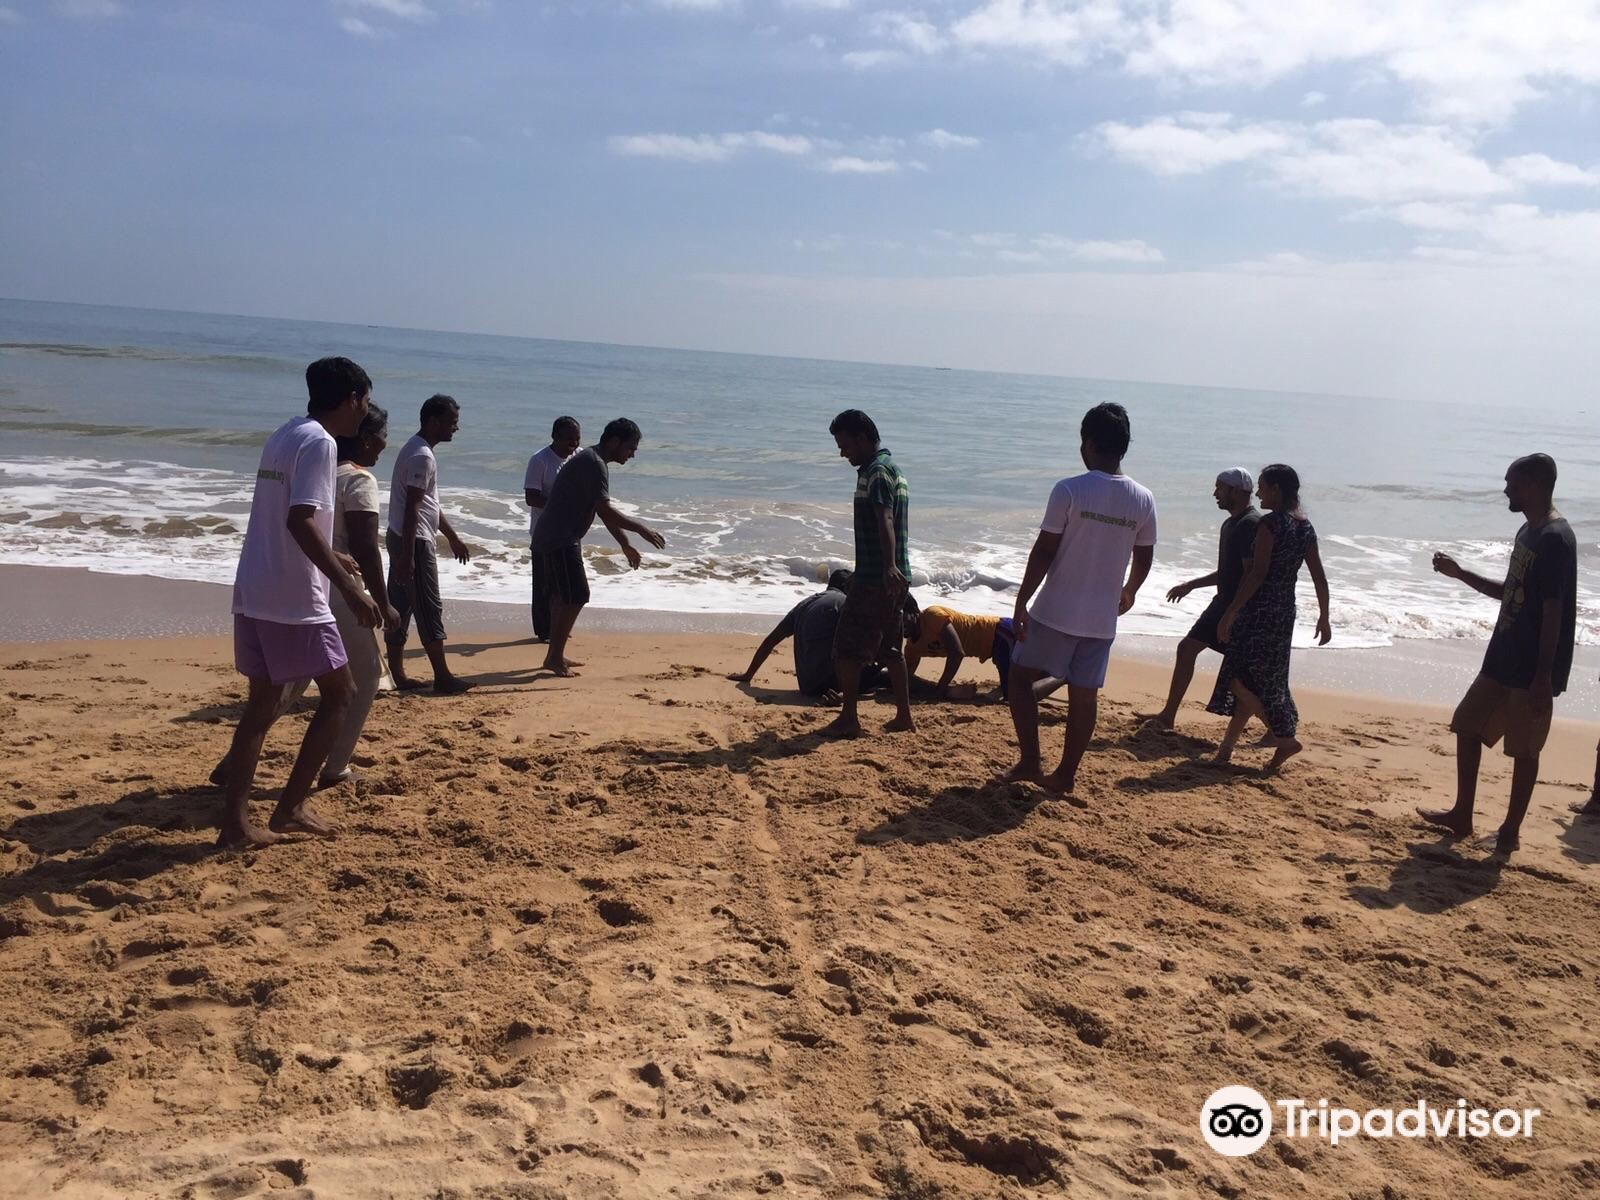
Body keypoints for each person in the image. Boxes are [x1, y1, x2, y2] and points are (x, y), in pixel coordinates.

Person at [219, 356, 382, 849]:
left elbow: (284, 515)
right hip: (294, 596)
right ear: (351, 398)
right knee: (342, 694)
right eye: (365, 402)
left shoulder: (285, 433)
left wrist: (330, 552)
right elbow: (299, 519)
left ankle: (235, 826)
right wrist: (350, 587)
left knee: (261, 706)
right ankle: (289, 808)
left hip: (256, 586)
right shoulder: (321, 442)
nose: (365, 413)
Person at [210, 404, 399, 790]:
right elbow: (365, 548)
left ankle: (235, 763)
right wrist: (380, 598)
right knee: (361, 679)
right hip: (330, 590)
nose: (385, 443)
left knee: (289, 684)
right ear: (365, 438)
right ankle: (335, 767)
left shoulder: (319, 467)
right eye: (382, 434)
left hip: (293, 583)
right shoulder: (360, 480)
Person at [1419, 454, 1578, 859]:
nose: (1506, 489)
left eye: (1512, 482)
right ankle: (1462, 814)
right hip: (1502, 656)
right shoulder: (1527, 531)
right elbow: (1510, 590)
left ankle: (1509, 832)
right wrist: (1461, 574)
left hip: (1532, 669)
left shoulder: (1555, 539)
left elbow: (1554, 612)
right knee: (1467, 725)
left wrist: (1544, 675)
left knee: (1524, 751)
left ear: (1533, 485)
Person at [1003, 403, 1156, 793]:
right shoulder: (1143, 498)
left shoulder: (1070, 489)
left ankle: (1030, 760)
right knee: (1084, 698)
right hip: (1101, 617)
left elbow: (1044, 550)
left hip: (1055, 610)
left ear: (1088, 443)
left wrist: (1022, 601)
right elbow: (1145, 552)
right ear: (1124, 447)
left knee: (1019, 678)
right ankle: (1065, 777)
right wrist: (1130, 590)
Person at [1205, 465, 1332, 771]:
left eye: (1262, 487)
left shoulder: (1270, 525)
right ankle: (1225, 752)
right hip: (1284, 611)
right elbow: (1319, 577)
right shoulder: (1305, 527)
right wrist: (1324, 616)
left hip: (1258, 611)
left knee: (1237, 680)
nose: (1258, 493)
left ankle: (1282, 736)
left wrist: (1231, 612)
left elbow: (1256, 574)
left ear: (1276, 489)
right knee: (1262, 680)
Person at [530, 418, 666, 676]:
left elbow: (599, 510)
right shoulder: (593, 463)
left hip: (554, 537)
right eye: (631, 447)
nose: (633, 454)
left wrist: (625, 544)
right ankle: (554, 658)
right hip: (559, 538)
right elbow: (605, 509)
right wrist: (641, 529)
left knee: (564, 597)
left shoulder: (591, 460)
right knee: (577, 595)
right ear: (614, 442)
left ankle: (555, 656)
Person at [1141, 469, 1261, 729]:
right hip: (1223, 603)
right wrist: (1192, 585)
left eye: (1220, 488)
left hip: (1236, 607)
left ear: (1237, 491)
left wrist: (1234, 611)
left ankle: (1279, 729)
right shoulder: (1231, 523)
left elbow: (1251, 573)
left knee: (1245, 675)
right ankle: (1167, 716)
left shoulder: (1250, 524)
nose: (1215, 493)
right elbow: (1229, 571)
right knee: (1188, 649)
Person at [823, 409, 914, 739]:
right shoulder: (894, 470)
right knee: (891, 647)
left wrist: (886, 566)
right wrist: (895, 569)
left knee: (846, 648)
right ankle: (904, 716)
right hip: (897, 576)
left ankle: (849, 718)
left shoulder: (875, 473)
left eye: (843, 444)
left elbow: (885, 520)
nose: (842, 452)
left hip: (877, 575)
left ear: (861, 438)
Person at [386, 394, 472, 695]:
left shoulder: (416, 449)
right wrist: (408, 555)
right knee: (428, 607)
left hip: (403, 536)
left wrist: (452, 536)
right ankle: (443, 677)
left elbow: (427, 504)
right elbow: (412, 507)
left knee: (399, 606)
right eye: (452, 422)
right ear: (434, 421)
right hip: (414, 541)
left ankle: (397, 674)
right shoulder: (422, 455)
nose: (455, 429)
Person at [729, 570, 860, 698]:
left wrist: (748, 674)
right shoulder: (844, 602)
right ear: (846, 586)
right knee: (877, 675)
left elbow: (771, 641)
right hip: (833, 685)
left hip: (808, 686)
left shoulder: (805, 604)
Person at [525, 416, 582, 643]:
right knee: (544, 584)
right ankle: (544, 631)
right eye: (569, 439)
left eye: (577, 439)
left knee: (565, 583)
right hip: (544, 533)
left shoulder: (578, 458)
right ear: (555, 436)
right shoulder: (540, 460)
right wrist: (561, 504)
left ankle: (559, 626)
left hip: (570, 532)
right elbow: (531, 497)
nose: (574, 445)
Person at [903, 603, 1014, 700]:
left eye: (904, 617)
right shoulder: (912, 648)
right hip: (994, 648)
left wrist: (940, 689)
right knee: (1012, 688)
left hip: (1000, 632)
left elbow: (957, 653)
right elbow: (905, 679)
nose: (902, 624)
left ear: (914, 612)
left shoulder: (932, 616)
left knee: (1016, 694)